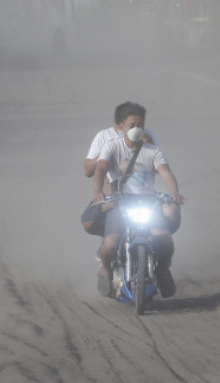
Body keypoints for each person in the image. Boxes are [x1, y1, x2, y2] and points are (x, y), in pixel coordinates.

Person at [91, 102, 185, 299]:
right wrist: (98, 192)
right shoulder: (111, 146)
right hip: (120, 203)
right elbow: (99, 170)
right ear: (121, 126)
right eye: (131, 124)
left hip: (148, 203)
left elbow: (166, 172)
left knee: (165, 239)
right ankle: (107, 270)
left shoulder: (152, 150)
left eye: (139, 125)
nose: (136, 129)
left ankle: (162, 270)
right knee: (109, 245)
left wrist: (174, 193)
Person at [81, 101, 161, 236]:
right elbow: (88, 171)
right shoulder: (104, 136)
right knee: (89, 223)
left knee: (169, 218)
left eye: (138, 124)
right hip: (112, 197)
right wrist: (106, 153)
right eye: (125, 126)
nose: (130, 131)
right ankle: (108, 238)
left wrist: (149, 145)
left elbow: (160, 168)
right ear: (118, 124)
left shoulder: (147, 135)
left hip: (142, 196)